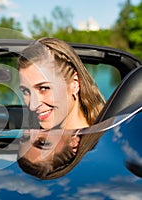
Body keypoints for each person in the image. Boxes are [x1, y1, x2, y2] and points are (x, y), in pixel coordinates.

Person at [17, 37, 106, 179]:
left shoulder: (108, 144)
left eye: (44, 88)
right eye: (26, 91)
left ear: (75, 84)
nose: (32, 105)